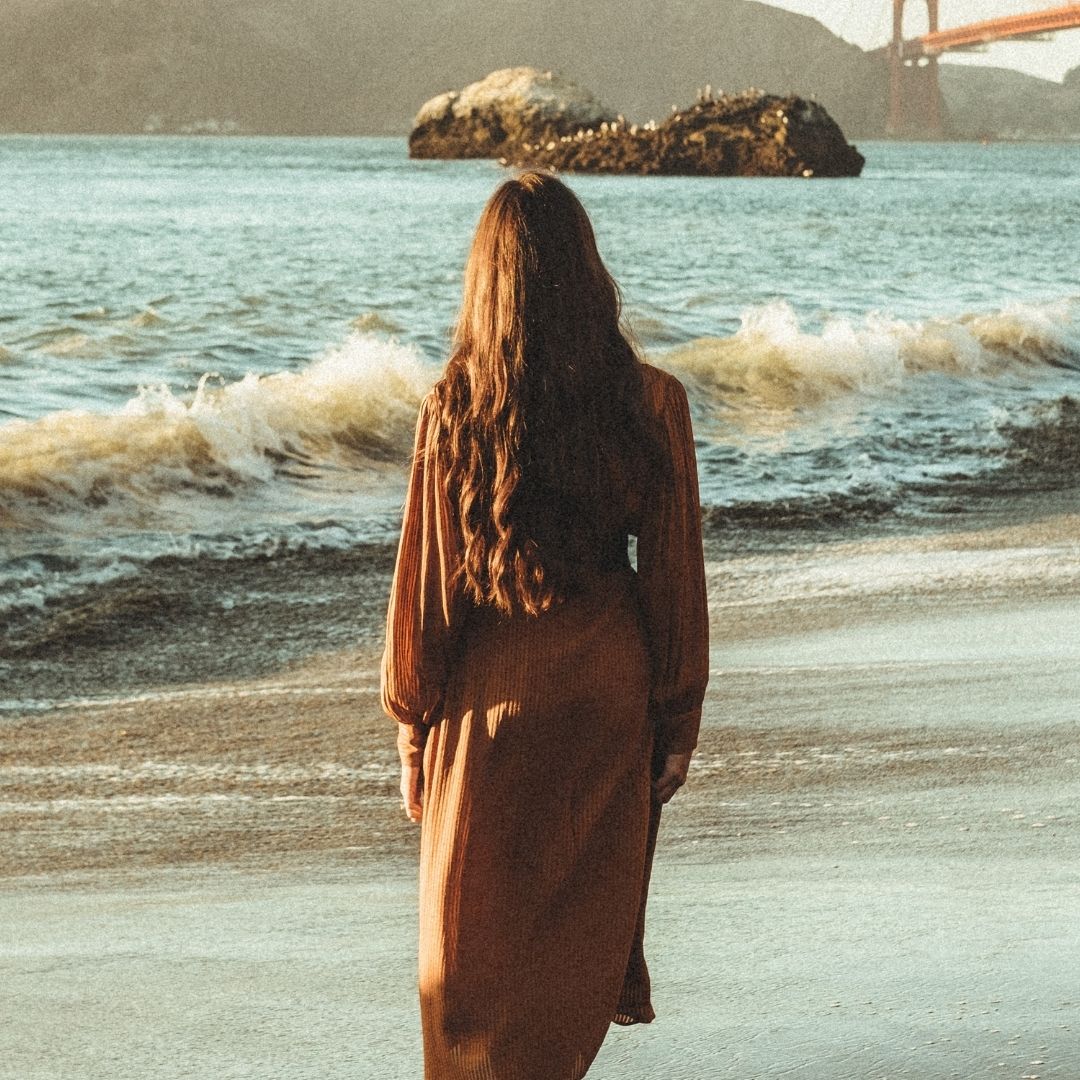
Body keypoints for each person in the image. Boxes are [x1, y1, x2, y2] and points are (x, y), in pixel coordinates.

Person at [380, 170, 709, 1080]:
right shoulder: (651, 401)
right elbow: (675, 576)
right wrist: (677, 722)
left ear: (487, 279)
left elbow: (429, 589)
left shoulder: (455, 408)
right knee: (570, 956)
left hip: (492, 700)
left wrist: (413, 726)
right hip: (607, 688)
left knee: (468, 975)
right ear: (586, 269)